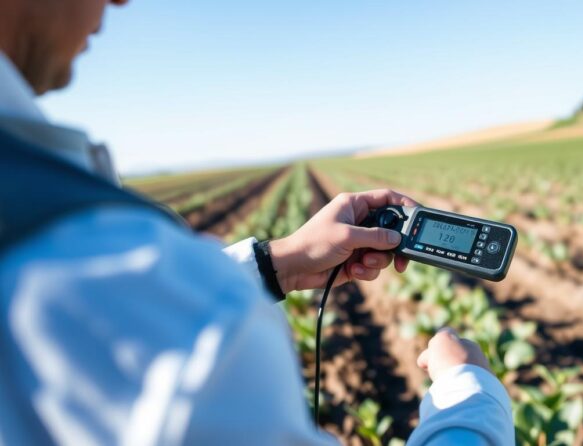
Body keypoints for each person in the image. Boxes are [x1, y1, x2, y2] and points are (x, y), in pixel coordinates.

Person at [0, 0, 514, 444]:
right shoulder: (139, 284)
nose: (120, 3)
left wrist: (276, 264)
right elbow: (140, 310)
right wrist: (467, 391)